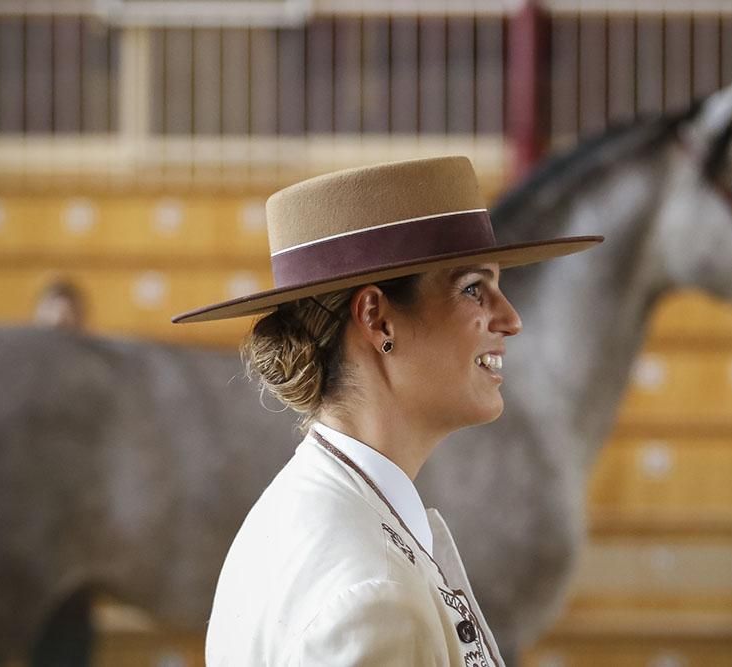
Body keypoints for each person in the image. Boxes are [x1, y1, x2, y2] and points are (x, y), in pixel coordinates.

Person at [171, 156, 602, 665]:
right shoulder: (372, 599)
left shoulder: (297, 510)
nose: (510, 319)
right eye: (472, 289)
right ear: (378, 320)